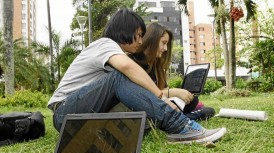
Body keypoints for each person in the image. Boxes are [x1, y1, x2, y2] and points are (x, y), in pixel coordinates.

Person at [47, 8, 226, 144]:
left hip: (84, 119)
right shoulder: (104, 44)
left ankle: (176, 122)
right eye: (139, 35)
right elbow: (126, 68)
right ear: (125, 30)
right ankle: (181, 126)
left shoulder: (114, 53)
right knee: (120, 76)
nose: (141, 41)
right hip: (65, 114)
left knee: (133, 103)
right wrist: (162, 97)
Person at [130, 22, 215, 121]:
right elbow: (143, 96)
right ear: (152, 40)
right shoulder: (135, 63)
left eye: (167, 44)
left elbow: (164, 89)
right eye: (163, 43)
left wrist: (179, 93)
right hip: (145, 107)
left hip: (161, 103)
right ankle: (190, 117)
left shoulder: (155, 65)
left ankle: (184, 115)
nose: (165, 49)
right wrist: (174, 92)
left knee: (192, 100)